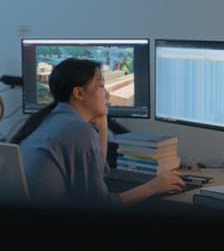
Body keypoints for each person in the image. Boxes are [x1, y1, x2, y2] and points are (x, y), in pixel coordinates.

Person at [10, 57, 185, 207]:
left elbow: (98, 175)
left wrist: (101, 122)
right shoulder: (78, 130)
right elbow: (100, 205)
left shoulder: (50, 119)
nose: (107, 94)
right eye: (101, 86)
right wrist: (152, 188)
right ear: (79, 93)